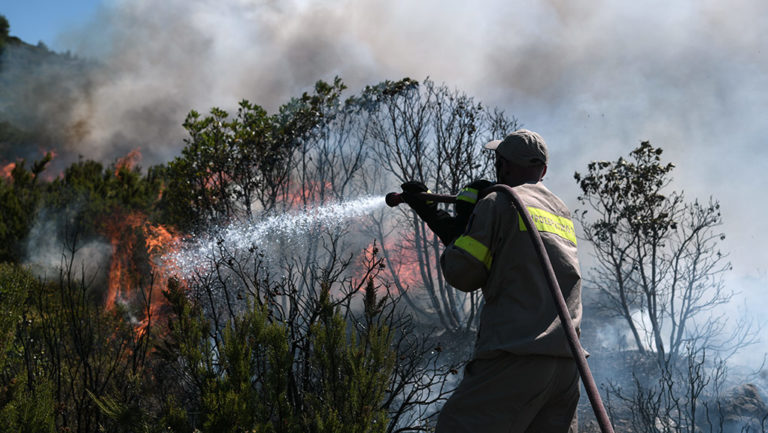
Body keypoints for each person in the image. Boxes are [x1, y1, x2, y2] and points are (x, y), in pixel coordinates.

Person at [401, 129, 583, 433]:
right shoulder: (560, 211)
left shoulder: (499, 202)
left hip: (516, 358)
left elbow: (463, 272)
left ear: (504, 166)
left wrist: (467, 218)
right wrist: (444, 218)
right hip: (566, 365)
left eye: (499, 164)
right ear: (544, 170)